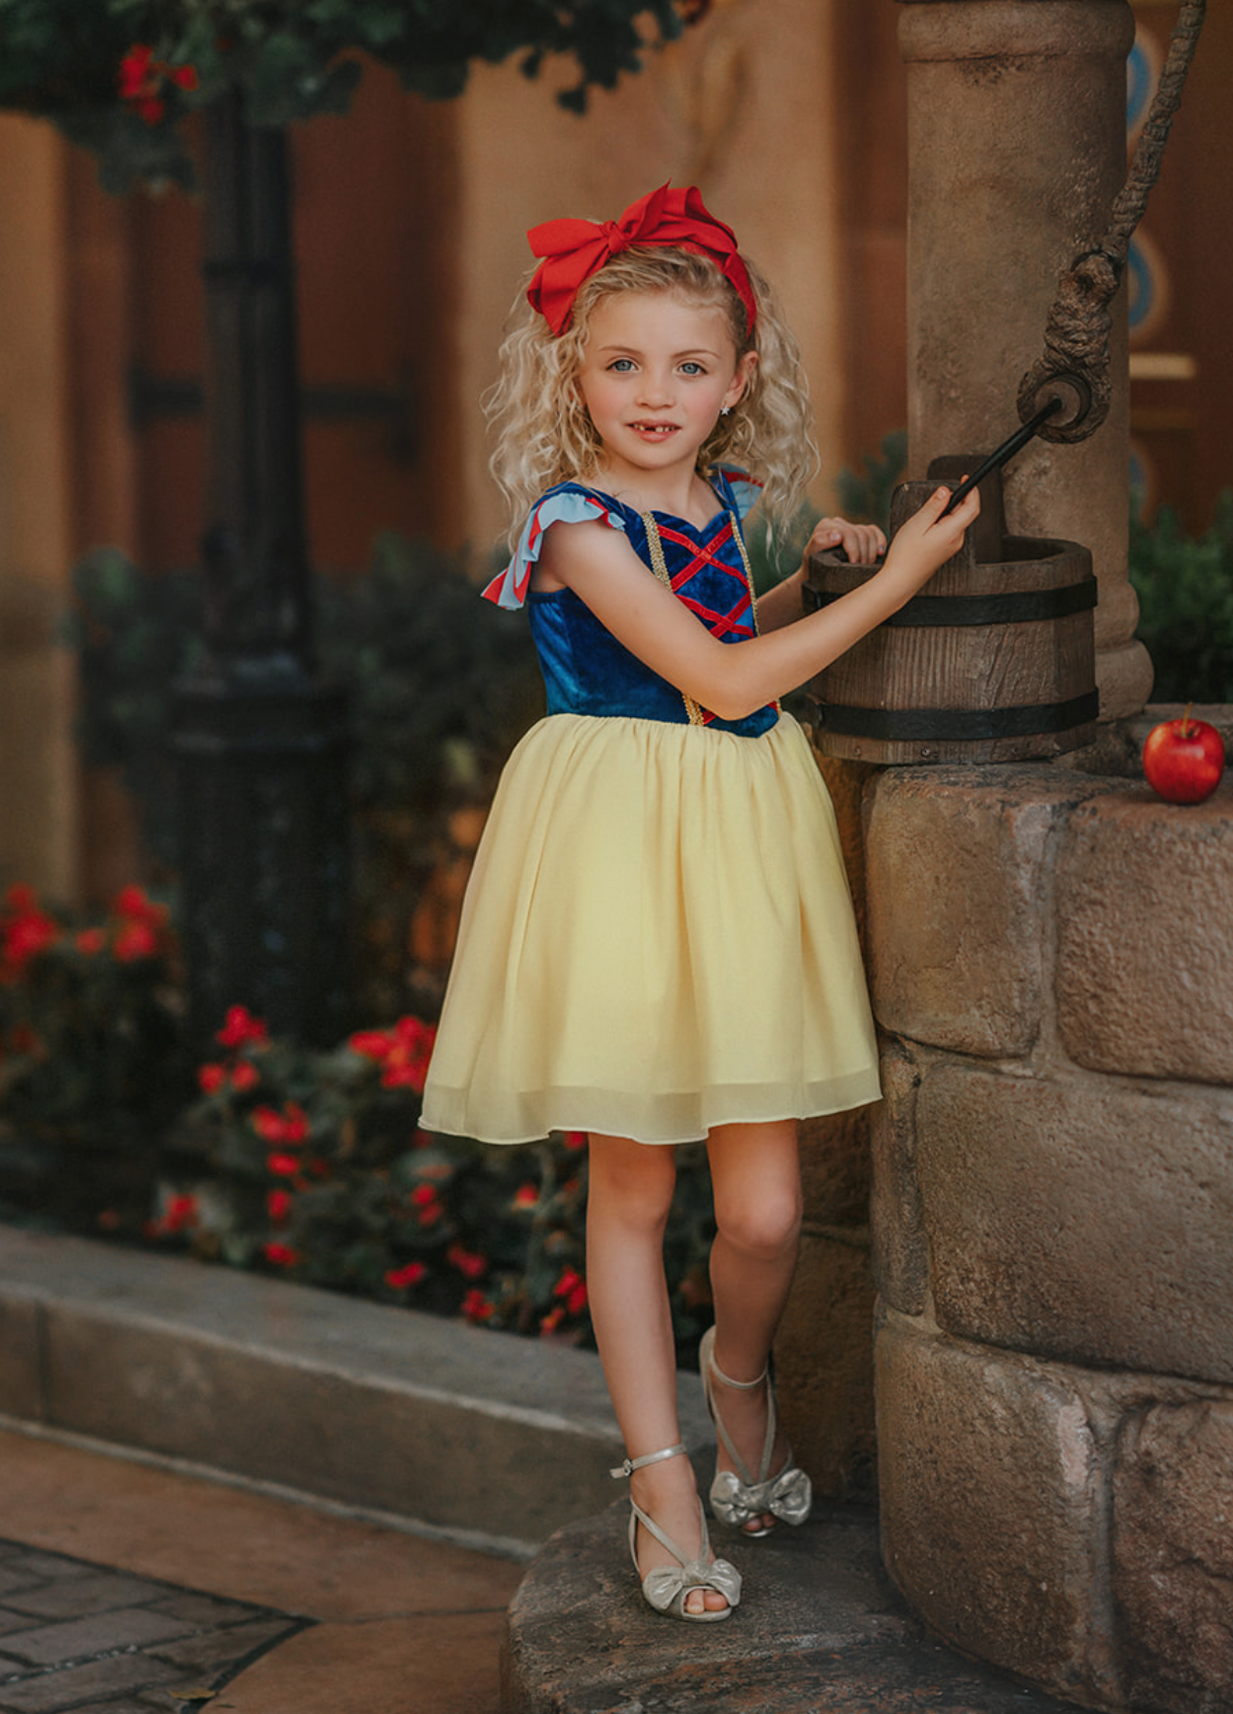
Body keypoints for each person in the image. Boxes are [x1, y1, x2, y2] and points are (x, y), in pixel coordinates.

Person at [419, 182, 978, 1621]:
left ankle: (738, 1379)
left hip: (731, 853)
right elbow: (721, 684)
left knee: (772, 1210)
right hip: (616, 853)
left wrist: (810, 580)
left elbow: (731, 644)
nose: (653, 393)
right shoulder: (576, 523)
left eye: (686, 365)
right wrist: (905, 579)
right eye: (621, 363)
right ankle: (664, 1485)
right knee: (633, 1182)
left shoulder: (718, 510)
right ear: (572, 375)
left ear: (739, 382)